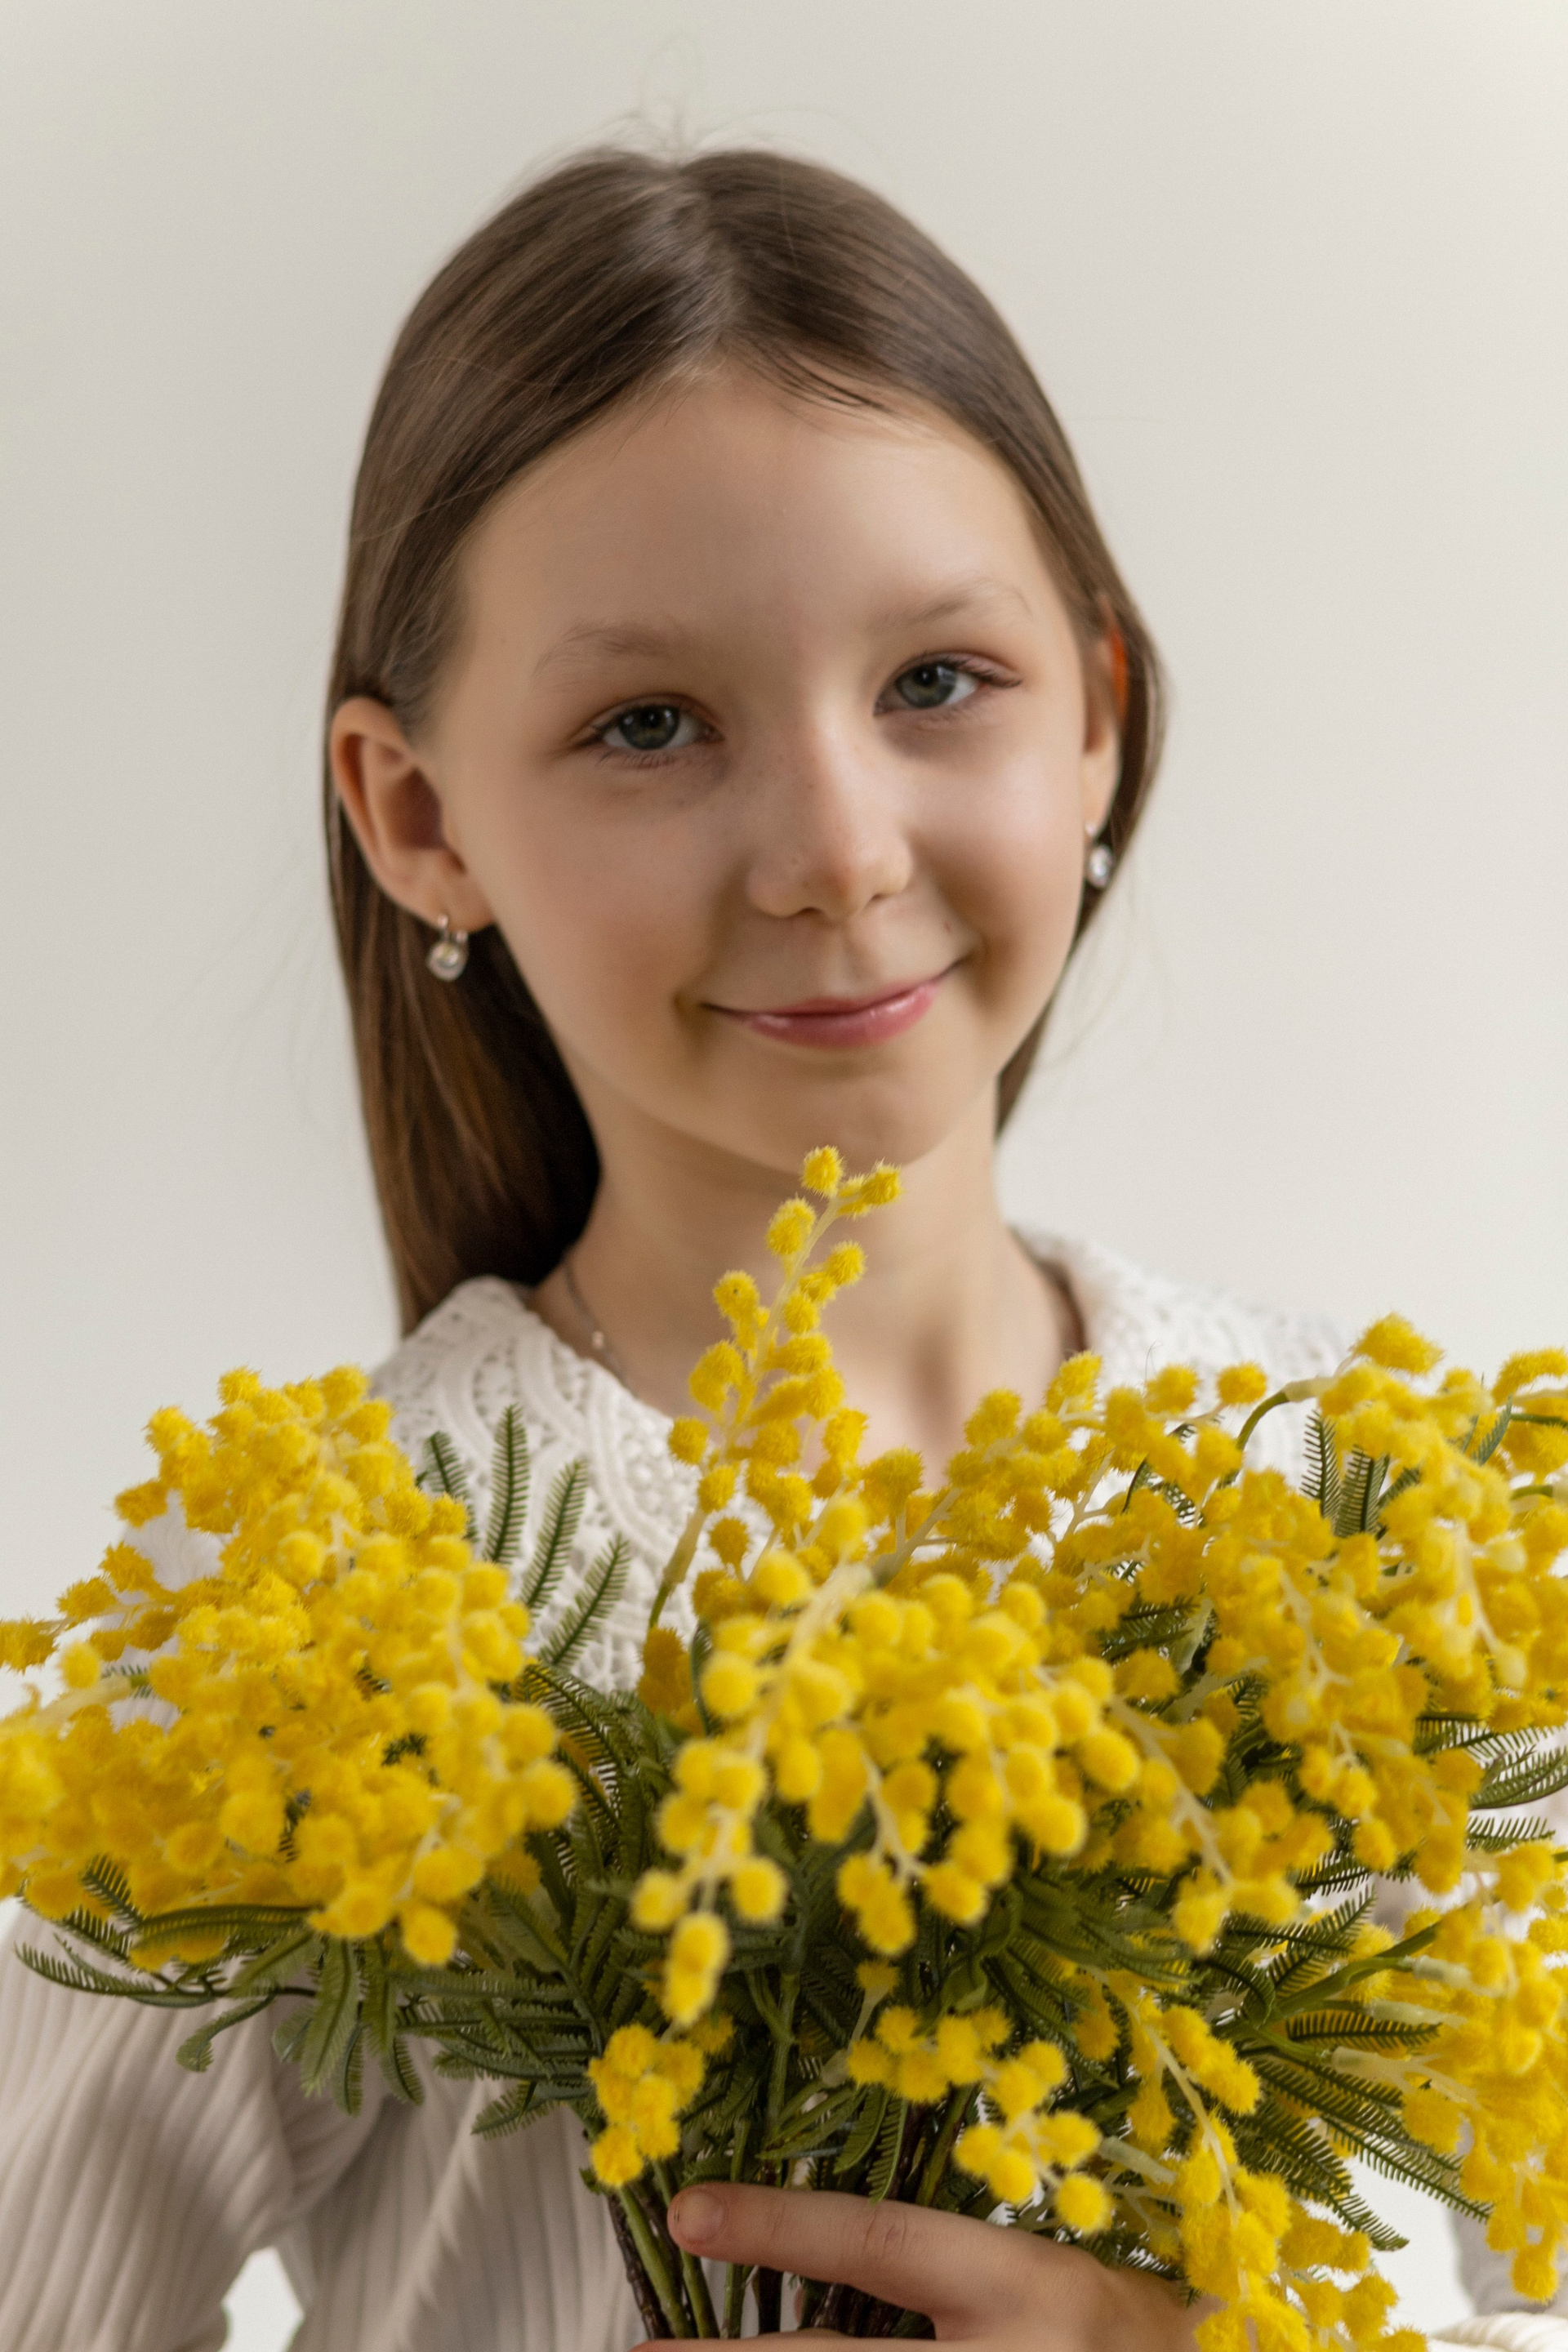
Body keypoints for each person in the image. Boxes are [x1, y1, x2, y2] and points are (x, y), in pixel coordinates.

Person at [0, 146, 1549, 2352]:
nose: (834, 848)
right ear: (418, 818)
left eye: (939, 680)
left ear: (1097, 718)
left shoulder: (1390, 1537)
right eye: (649, 725)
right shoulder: (292, 1631)